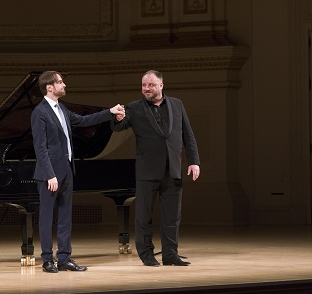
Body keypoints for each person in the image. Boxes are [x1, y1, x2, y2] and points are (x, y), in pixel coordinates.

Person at [31, 71, 125, 273]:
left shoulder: (62, 108)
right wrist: (50, 175)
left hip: (66, 169)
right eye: (60, 82)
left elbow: (83, 121)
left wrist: (109, 112)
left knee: (65, 217)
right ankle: (47, 260)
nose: (64, 85)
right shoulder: (39, 112)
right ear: (49, 87)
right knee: (47, 217)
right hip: (50, 174)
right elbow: (40, 147)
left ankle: (64, 258)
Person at [111, 70, 200, 267]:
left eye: (150, 85)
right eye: (144, 85)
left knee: (172, 216)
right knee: (143, 216)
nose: (146, 89)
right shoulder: (134, 107)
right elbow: (119, 127)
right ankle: (147, 254)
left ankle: (170, 254)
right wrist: (117, 118)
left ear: (161, 85)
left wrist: (194, 161)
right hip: (147, 170)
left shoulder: (177, 104)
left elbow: (188, 134)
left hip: (173, 169)